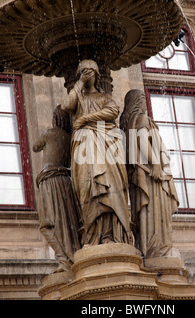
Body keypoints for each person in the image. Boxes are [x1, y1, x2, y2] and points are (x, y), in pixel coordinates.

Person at [61, 59, 133, 246]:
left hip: (106, 147)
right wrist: (78, 84)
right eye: (82, 71)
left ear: (96, 74)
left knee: (110, 187)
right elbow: (67, 106)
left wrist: (86, 118)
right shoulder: (77, 97)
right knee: (87, 188)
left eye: (89, 71)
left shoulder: (103, 98)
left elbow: (112, 111)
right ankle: (92, 235)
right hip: (83, 147)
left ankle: (112, 235)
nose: (86, 74)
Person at [120, 89, 179, 259]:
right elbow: (143, 140)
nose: (146, 104)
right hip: (151, 175)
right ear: (138, 102)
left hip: (140, 177)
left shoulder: (128, 123)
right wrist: (156, 165)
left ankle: (145, 246)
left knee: (145, 215)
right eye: (142, 100)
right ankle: (155, 250)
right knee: (156, 212)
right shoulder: (141, 119)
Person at [33, 105, 81, 273]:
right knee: (68, 222)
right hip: (66, 182)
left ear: (55, 118)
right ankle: (72, 255)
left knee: (47, 224)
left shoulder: (50, 134)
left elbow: (35, 147)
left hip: (50, 180)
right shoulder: (71, 138)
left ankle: (63, 259)